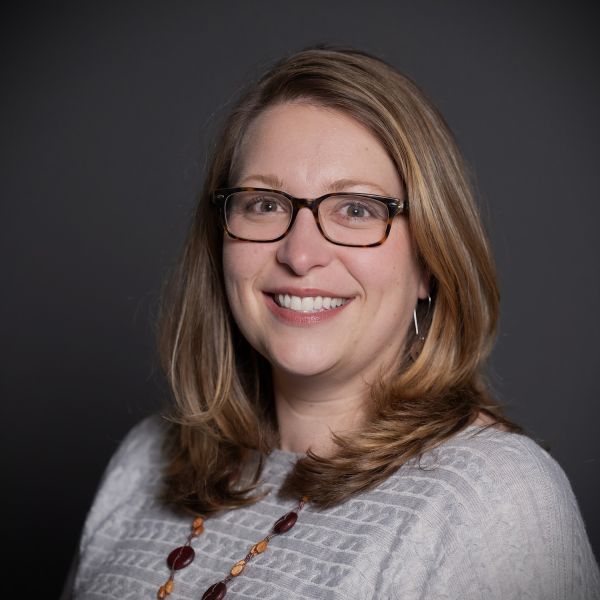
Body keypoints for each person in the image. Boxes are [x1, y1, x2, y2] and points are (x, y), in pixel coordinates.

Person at [63, 47, 599, 599]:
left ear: (431, 262)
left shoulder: (495, 499)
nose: (300, 254)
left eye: (357, 209)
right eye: (265, 203)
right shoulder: (143, 461)